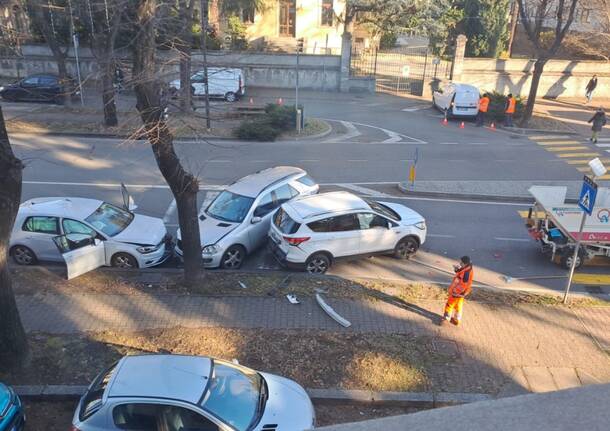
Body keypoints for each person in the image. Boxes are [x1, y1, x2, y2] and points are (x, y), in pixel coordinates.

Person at [441, 256, 474, 326]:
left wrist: (454, 292)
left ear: (465, 264)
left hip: (457, 292)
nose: (460, 263)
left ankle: (446, 319)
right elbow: (461, 272)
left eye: (461, 262)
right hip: (462, 293)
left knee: (449, 304)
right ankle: (456, 320)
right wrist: (457, 269)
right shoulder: (468, 269)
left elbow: (463, 284)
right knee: (458, 306)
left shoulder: (466, 274)